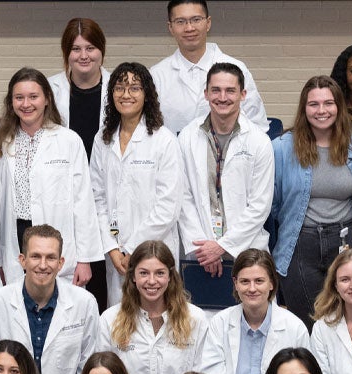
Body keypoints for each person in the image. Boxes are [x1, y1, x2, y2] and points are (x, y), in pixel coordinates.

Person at [271, 75, 352, 328]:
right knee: (308, 325)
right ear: (303, 108)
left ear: (339, 107)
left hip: (346, 245)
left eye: (328, 103)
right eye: (314, 104)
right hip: (300, 246)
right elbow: (274, 203)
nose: (322, 111)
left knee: (349, 323)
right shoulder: (283, 148)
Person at [0, 67, 105, 299]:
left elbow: (83, 202)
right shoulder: (2, 142)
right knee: (19, 307)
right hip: (16, 239)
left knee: (61, 308)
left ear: (46, 100)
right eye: (19, 97)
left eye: (33, 97)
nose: (26, 104)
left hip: (57, 238)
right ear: (11, 102)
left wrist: (85, 259)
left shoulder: (68, 140)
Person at [0, 224, 100, 374]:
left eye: (50, 257)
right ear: (22, 260)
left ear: (61, 263)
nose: (43, 265)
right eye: (35, 256)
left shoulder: (85, 303)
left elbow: (88, 368)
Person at [90, 62, 183, 307]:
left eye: (134, 88)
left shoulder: (164, 140)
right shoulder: (103, 139)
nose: (126, 94)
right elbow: (96, 198)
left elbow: (168, 207)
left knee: (159, 319)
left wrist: (132, 249)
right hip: (116, 257)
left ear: (147, 94)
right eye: (119, 88)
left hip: (154, 250)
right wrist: (112, 248)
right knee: (121, 325)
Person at [177, 62, 274, 283]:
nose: (223, 97)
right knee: (200, 315)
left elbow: (260, 205)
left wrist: (223, 245)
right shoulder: (187, 137)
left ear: (243, 94)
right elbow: (183, 197)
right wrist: (204, 248)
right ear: (206, 94)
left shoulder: (259, 141)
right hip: (200, 252)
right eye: (216, 90)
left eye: (230, 90)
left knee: (250, 311)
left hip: (247, 249)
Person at [97, 240, 208, 374]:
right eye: (143, 273)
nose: (151, 281)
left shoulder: (195, 319)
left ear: (171, 276)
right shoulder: (110, 320)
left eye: (159, 273)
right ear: (132, 276)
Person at [203, 249, 309, 374]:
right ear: (235, 283)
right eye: (245, 281)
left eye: (259, 281)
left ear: (272, 283)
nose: (252, 288)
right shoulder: (220, 323)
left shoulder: (294, 327)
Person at [151, 0, 267, 133]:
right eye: (180, 22)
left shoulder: (237, 69)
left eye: (196, 19)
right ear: (170, 28)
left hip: (228, 152)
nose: (189, 28)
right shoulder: (156, 75)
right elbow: (150, 129)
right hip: (174, 153)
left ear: (208, 23)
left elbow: (258, 125)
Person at [48, 18, 112, 159]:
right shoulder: (49, 89)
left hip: (105, 174)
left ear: (101, 50)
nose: (84, 56)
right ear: (66, 53)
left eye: (90, 48)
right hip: (65, 174)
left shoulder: (117, 88)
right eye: (76, 49)